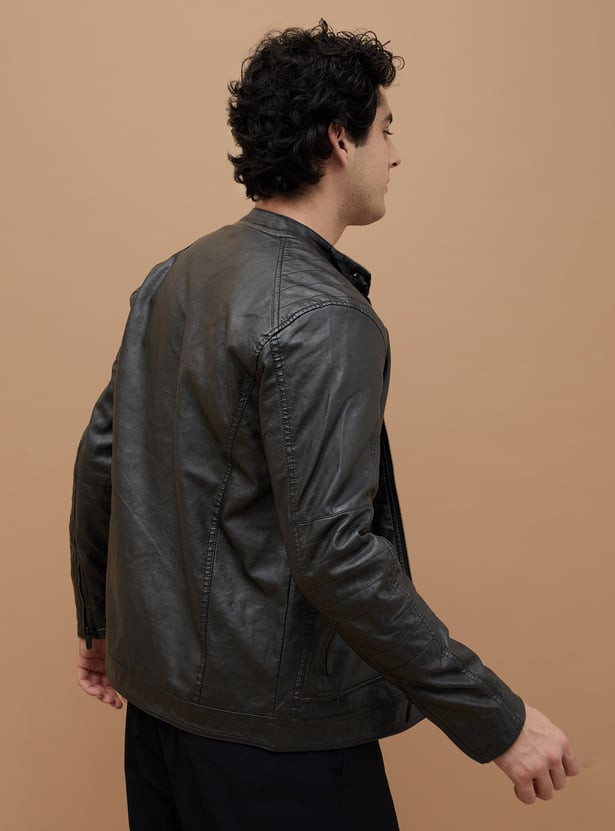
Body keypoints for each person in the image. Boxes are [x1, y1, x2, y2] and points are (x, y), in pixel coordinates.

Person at [70, 20, 578, 830]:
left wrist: (101, 625)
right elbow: (337, 552)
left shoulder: (176, 275)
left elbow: (102, 459)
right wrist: (497, 719)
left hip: (161, 722)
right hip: (275, 744)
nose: (395, 154)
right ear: (340, 138)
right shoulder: (322, 314)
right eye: (386, 128)